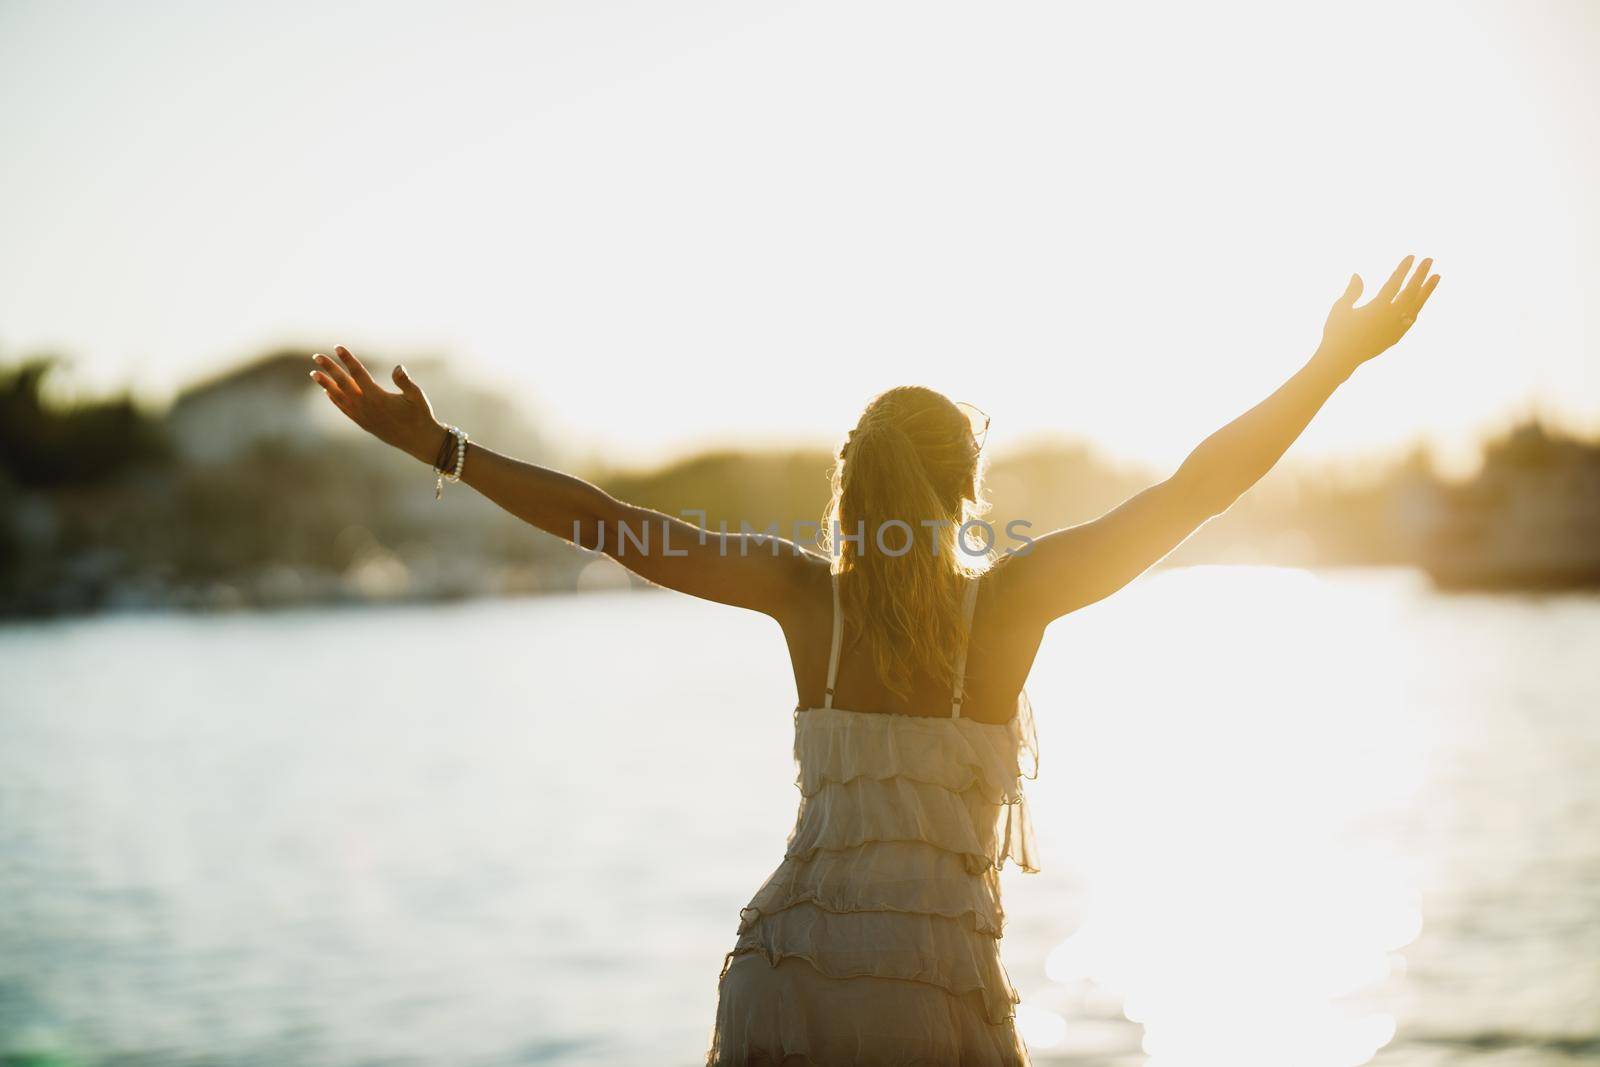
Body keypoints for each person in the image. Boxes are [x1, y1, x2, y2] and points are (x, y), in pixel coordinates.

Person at [309, 256, 1440, 1065]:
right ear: (965, 492)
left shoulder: (805, 595)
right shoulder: (1011, 603)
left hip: (786, 975)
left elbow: (606, 520)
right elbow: (1194, 487)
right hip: (930, 990)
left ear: (852, 482)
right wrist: (1329, 365)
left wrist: (444, 445)